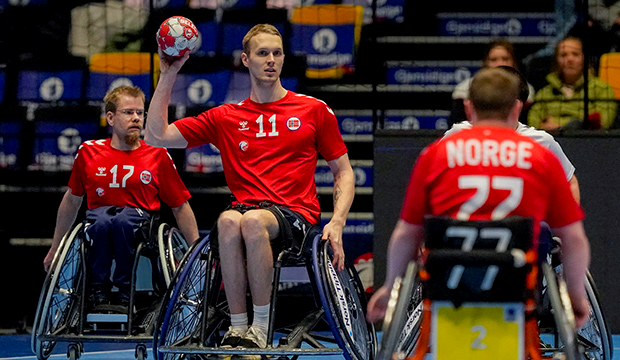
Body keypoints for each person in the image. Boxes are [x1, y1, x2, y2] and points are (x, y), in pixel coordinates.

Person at [145, 23, 355, 353]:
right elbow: (156, 137)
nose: (271, 60)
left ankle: (259, 327)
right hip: (244, 214)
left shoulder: (313, 110)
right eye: (262, 53)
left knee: (252, 221)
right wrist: (168, 73)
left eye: (277, 53)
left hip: (295, 217)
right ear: (246, 60)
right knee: (229, 220)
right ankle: (238, 326)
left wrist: (338, 221)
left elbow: (343, 172)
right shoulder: (226, 116)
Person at [367, 68, 590, 333]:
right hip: (517, 271)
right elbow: (574, 238)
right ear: (517, 108)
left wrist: (390, 287)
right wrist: (575, 296)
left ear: (469, 107)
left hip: (452, 270)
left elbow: (407, 232)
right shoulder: (540, 153)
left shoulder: (438, 152)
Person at [43, 85, 200, 311]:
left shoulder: (157, 154)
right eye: (128, 112)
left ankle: (126, 292)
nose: (136, 118)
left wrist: (194, 249)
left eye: (140, 112)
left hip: (141, 224)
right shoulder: (88, 152)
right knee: (104, 221)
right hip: (98, 221)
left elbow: (180, 206)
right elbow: (71, 201)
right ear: (110, 117)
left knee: (124, 220)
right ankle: (98, 291)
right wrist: (55, 248)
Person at [446, 65, 580, 204]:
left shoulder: (542, 141)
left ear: (516, 105)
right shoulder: (457, 134)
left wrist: (569, 221)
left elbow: (570, 182)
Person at [527, 36, 617, 130]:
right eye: (563, 55)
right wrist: (581, 122)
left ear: (584, 58)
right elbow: (533, 124)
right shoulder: (545, 93)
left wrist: (559, 124)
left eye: (575, 54)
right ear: (556, 60)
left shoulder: (602, 89)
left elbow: (604, 122)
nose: (570, 59)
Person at [448, 39, 536, 126]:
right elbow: (455, 123)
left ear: (513, 62)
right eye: (494, 60)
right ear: (486, 63)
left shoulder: (525, 89)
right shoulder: (465, 89)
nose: (500, 63)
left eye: (505, 59)